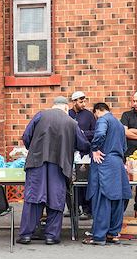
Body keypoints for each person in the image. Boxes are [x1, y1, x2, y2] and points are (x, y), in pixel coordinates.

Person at [17, 96, 90, 245]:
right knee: (56, 199)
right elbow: (83, 144)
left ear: (54, 106)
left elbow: (26, 136)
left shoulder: (40, 115)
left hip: (37, 163)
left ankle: (26, 235)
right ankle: (51, 236)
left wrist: (35, 149)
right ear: (65, 107)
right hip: (60, 165)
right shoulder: (71, 122)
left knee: (33, 198)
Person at [82, 102, 132, 245]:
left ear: (97, 111)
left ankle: (98, 236)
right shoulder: (117, 122)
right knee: (117, 199)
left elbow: (100, 133)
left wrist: (95, 148)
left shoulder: (103, 119)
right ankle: (113, 234)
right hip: (117, 163)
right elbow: (124, 146)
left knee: (102, 199)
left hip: (104, 162)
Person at [68, 91, 96, 220]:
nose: (83, 104)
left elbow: (95, 132)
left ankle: (87, 209)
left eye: (84, 101)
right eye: (80, 102)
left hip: (84, 153)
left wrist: (82, 133)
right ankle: (73, 208)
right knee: (70, 181)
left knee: (83, 180)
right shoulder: (67, 114)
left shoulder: (89, 115)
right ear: (73, 102)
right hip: (69, 152)